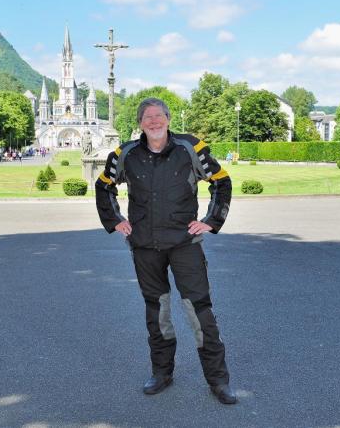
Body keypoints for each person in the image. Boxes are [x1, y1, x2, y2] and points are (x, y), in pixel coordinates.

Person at [95, 98, 236, 404]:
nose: (154, 121)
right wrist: (115, 220)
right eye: (148, 117)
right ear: (140, 123)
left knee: (200, 311)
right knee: (157, 312)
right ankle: (162, 373)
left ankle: (218, 380)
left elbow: (221, 181)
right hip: (145, 246)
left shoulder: (191, 148)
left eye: (159, 116)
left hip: (185, 244)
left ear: (169, 119)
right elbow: (103, 184)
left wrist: (212, 221)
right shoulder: (126, 153)